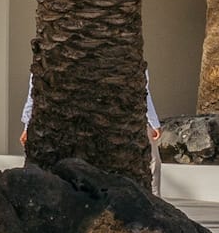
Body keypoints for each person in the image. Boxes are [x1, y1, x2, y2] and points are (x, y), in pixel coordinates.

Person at [20, 71, 163, 187]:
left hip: (124, 120)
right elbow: (35, 93)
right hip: (76, 125)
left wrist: (153, 122)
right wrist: (28, 125)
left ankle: (156, 202)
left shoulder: (128, 62)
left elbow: (143, 91)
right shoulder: (49, 63)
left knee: (153, 162)